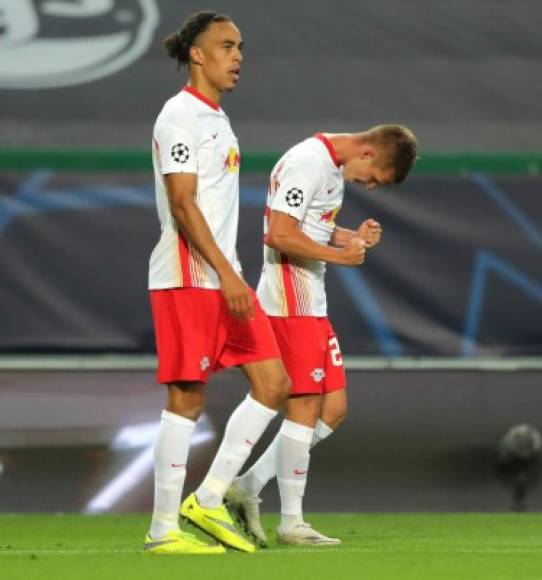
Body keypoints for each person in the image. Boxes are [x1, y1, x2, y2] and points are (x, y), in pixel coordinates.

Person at [226, 126, 418, 545]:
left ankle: (246, 486)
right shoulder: (308, 162)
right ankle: (291, 522)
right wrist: (339, 255)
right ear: (367, 152)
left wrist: (347, 236)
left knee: (333, 409)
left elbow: (307, 227)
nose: (367, 185)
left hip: (312, 298)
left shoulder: (330, 167)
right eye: (372, 178)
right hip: (289, 297)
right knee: (305, 405)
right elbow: (278, 234)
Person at [145, 11, 292, 555]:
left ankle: (206, 500)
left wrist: (231, 272)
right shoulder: (178, 116)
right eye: (227, 46)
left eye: (241, 47)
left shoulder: (217, 120)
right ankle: (162, 532)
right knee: (186, 396)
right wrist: (229, 273)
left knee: (274, 383)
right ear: (198, 55)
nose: (239, 57)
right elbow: (182, 203)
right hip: (189, 275)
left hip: (224, 275)